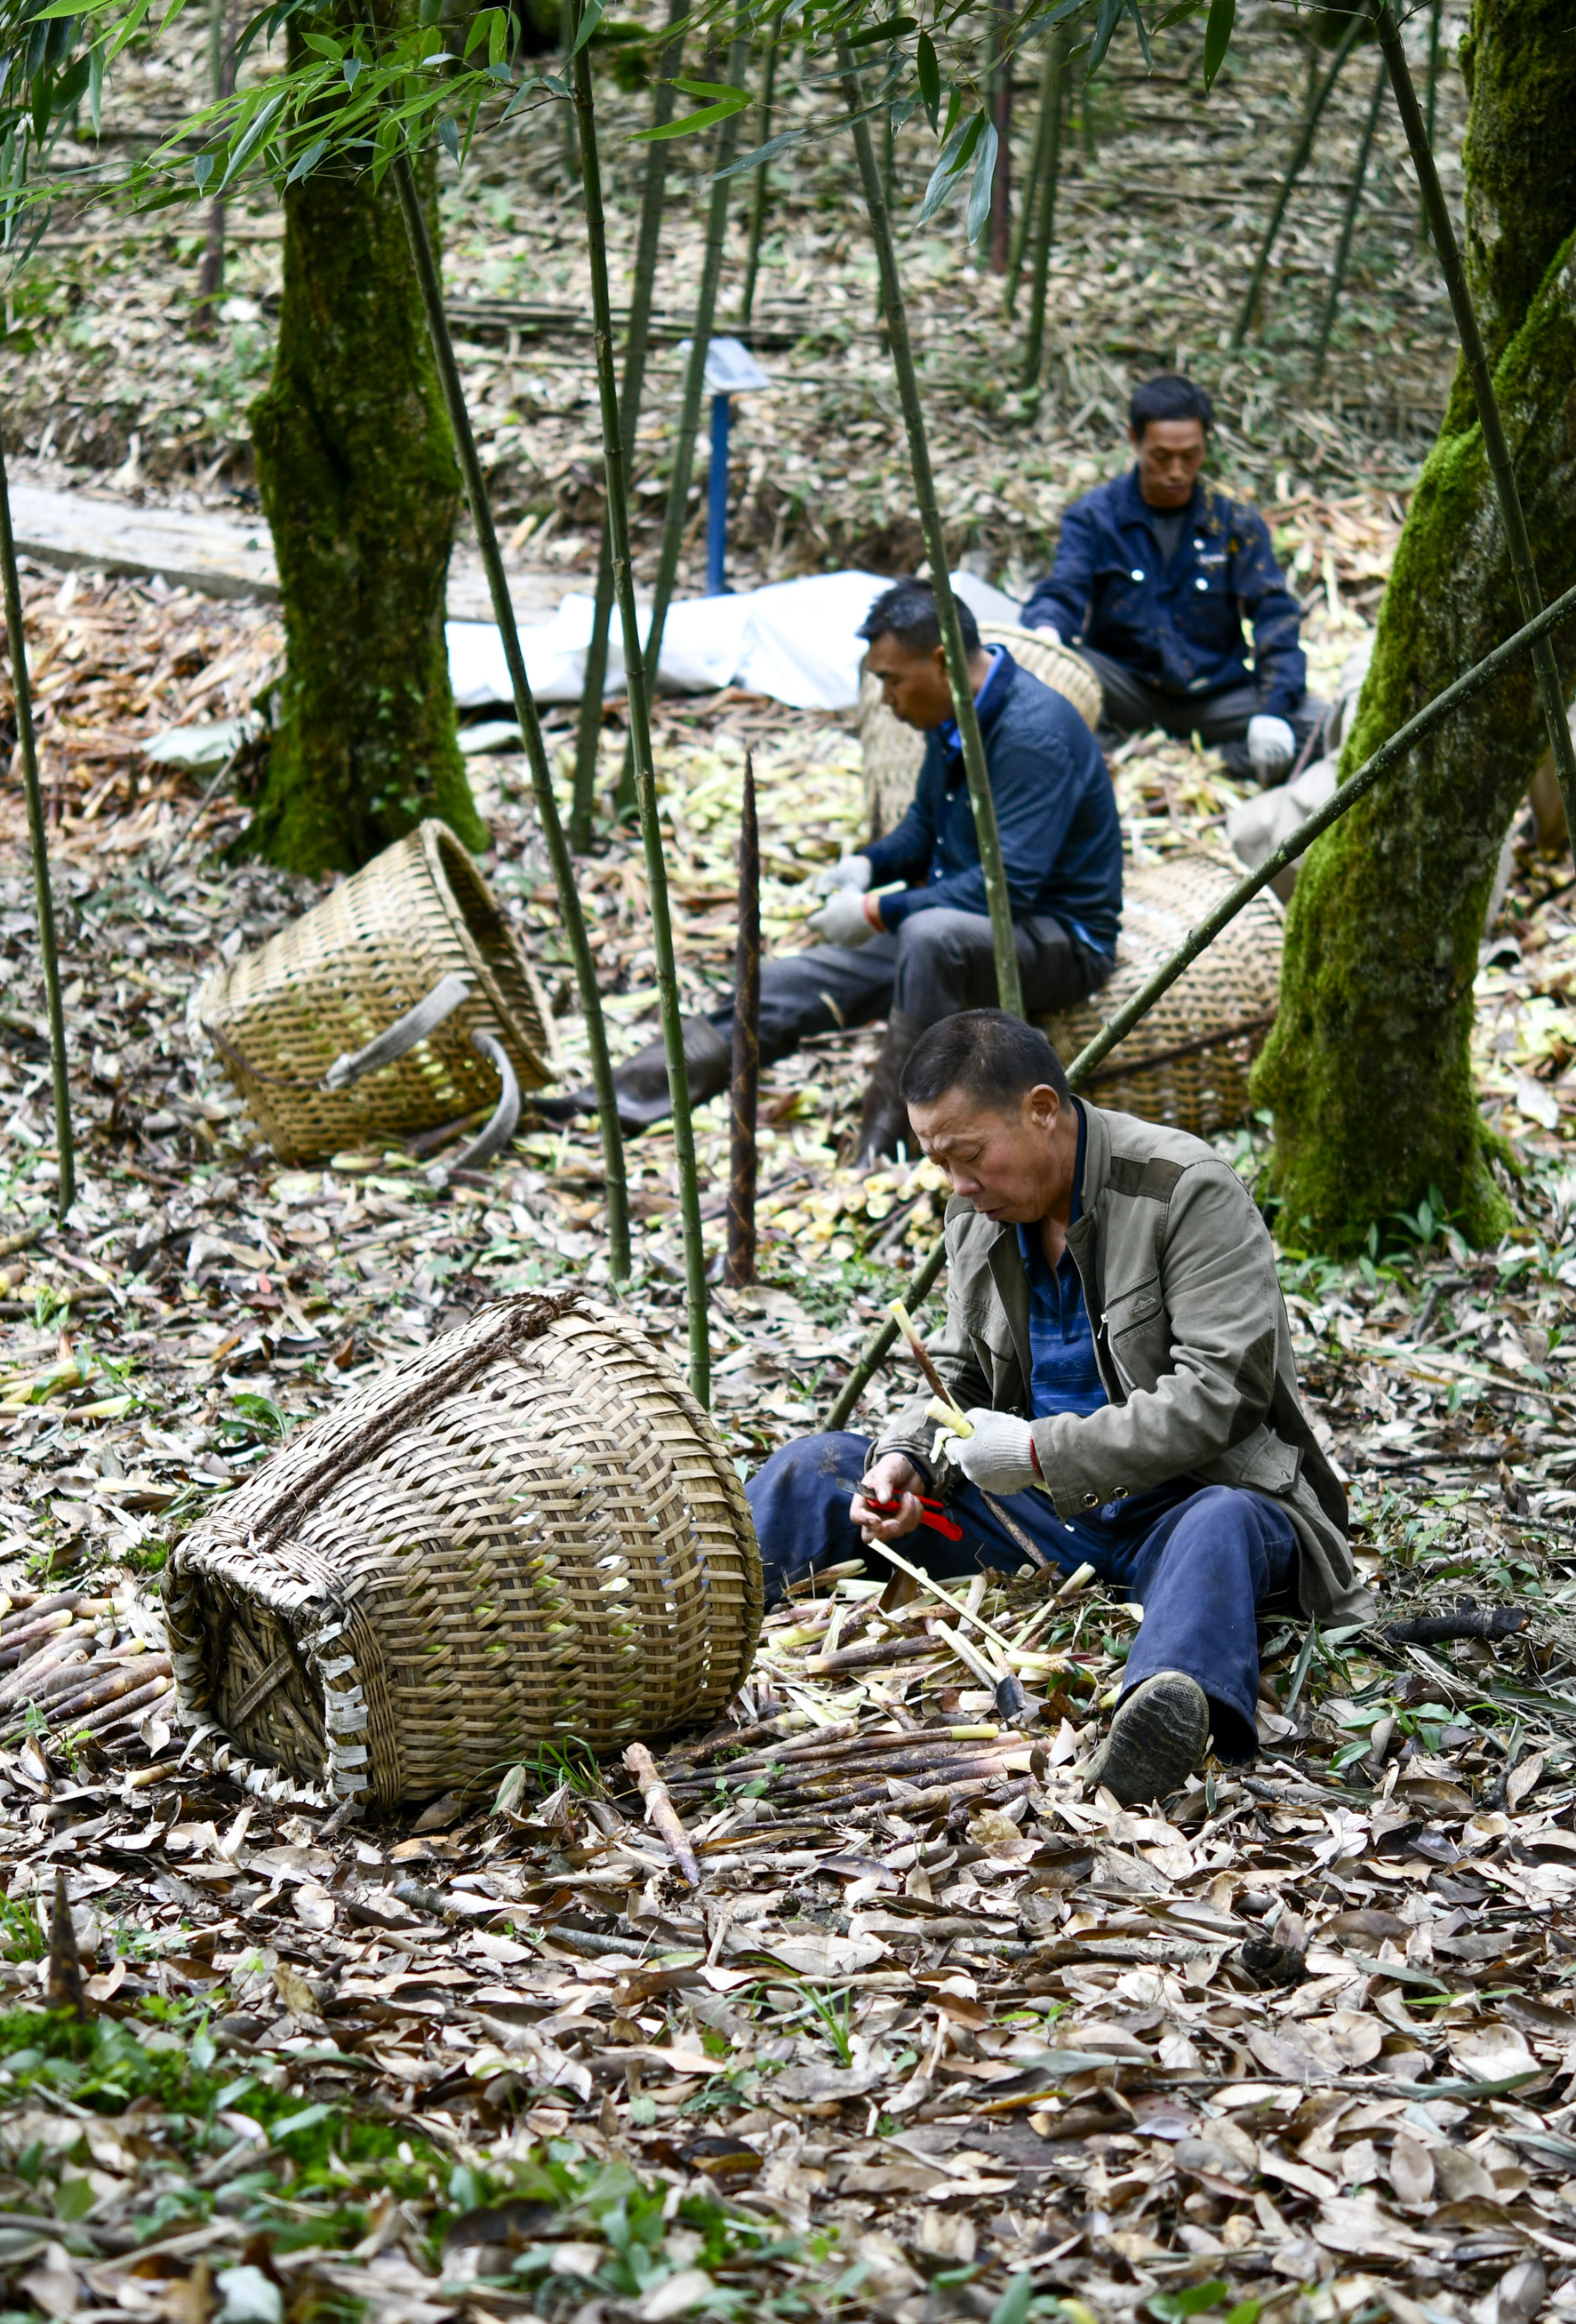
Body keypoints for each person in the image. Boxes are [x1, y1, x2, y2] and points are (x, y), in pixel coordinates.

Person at [743, 1012, 1364, 1805]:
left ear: (1042, 1109)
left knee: (1223, 1527)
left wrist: (1040, 1453)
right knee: (816, 1466)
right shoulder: (978, 1213)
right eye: (941, 1164)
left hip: (1182, 1508)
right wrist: (907, 1461)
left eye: (970, 1156)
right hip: (1038, 1523)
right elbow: (964, 1376)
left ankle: (1163, 1714)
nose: (959, 1186)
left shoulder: (1184, 1190)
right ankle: (681, 1635)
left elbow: (1222, 1394)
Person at [580, 579, 1124, 1165]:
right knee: (786, 984)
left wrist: (875, 911)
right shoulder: (954, 718)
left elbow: (1009, 888)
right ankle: (616, 1100)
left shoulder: (1030, 736)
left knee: (928, 935)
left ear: (940, 661)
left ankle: (882, 1147)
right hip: (954, 929)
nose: (886, 698)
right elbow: (923, 828)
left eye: (891, 679)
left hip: (1057, 939)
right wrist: (867, 865)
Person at [1021, 373, 1332, 785]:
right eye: (1161, 456)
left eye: (1190, 455)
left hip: (1214, 695)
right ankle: (1108, 754)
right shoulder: (1095, 516)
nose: (1176, 471)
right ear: (1134, 439)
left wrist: (1273, 711)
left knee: (1322, 723)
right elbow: (1064, 589)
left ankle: (1221, 763)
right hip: (1123, 687)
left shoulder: (1235, 520)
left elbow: (1275, 616)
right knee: (1040, 698)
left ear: (1206, 444)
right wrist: (1046, 635)